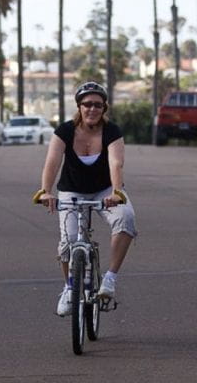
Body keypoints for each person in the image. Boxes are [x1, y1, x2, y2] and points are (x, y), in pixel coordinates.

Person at [33, 81, 137, 317]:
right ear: (79, 107)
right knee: (68, 241)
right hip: (72, 190)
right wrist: (45, 191)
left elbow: (116, 162)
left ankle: (109, 279)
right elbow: (52, 161)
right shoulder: (65, 131)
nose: (92, 109)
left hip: (106, 190)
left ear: (104, 108)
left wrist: (116, 192)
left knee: (126, 219)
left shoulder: (112, 131)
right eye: (87, 104)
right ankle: (70, 289)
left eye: (98, 105)